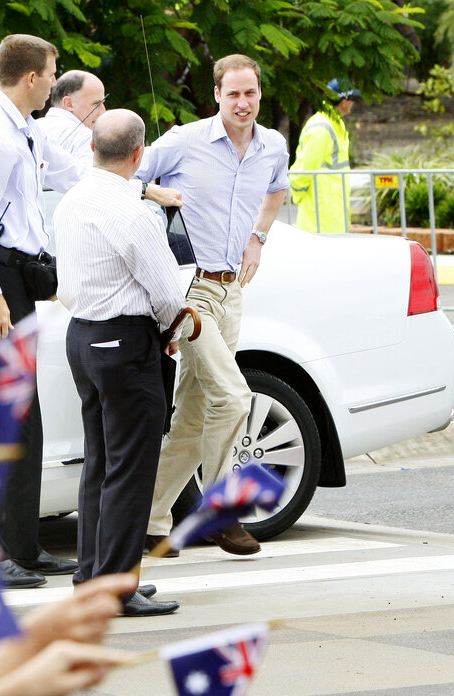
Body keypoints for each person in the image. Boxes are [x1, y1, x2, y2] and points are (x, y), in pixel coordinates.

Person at [136, 54, 289, 556]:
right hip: (190, 291)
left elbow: (275, 193)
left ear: (259, 94)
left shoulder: (272, 146)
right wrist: (160, 193)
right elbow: (125, 178)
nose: (242, 103)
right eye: (233, 94)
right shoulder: (185, 140)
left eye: (250, 93)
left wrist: (258, 239)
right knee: (234, 396)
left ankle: (151, 520)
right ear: (217, 94)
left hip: (231, 292)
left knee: (195, 419)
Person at [0, 33, 87, 589]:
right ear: (31, 77)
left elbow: (73, 171)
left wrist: (135, 186)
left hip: (14, 277)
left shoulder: (23, 128)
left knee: (24, 419)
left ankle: (23, 548)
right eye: (53, 73)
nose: (55, 82)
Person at [54, 109, 185, 617]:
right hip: (124, 340)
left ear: (92, 149)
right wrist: (172, 330)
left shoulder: (72, 201)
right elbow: (168, 293)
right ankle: (116, 584)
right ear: (138, 155)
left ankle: (93, 574)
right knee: (130, 469)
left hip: (83, 336)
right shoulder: (134, 212)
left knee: (101, 462)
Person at [290, 78, 358, 234]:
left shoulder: (334, 123)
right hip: (320, 212)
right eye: (353, 99)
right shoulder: (323, 127)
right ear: (344, 101)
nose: (354, 103)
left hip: (330, 209)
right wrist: (297, 195)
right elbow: (305, 168)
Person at [37, 70, 107, 162]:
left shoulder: (32, 127)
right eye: (96, 104)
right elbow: (89, 176)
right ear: (69, 104)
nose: (103, 111)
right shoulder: (85, 137)